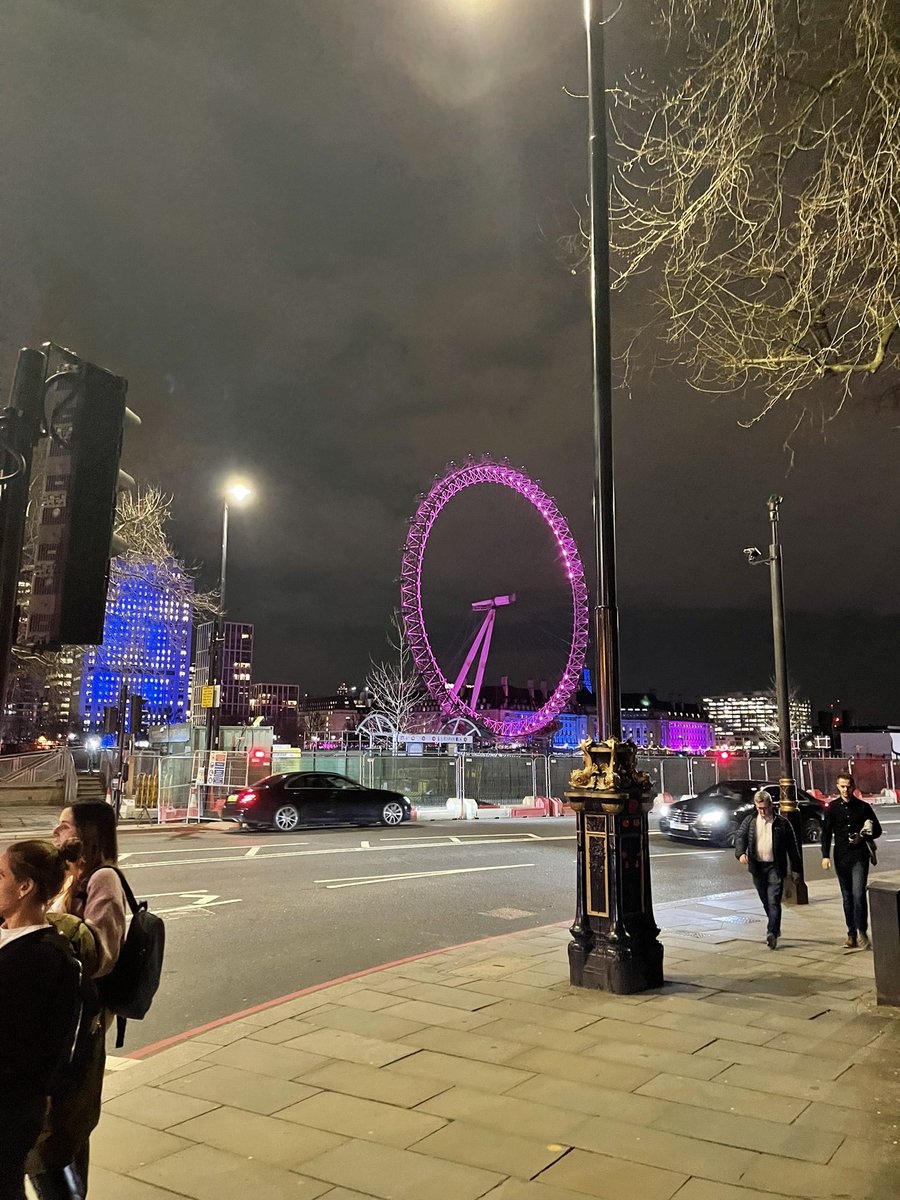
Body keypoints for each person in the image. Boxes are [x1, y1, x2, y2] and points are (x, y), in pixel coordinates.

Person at [27, 803, 127, 1199]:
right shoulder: (74, 876)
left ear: (86, 833)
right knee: (61, 1123)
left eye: (64, 826)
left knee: (63, 1122)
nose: (56, 832)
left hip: (85, 1017)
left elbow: (102, 954)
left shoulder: (104, 879)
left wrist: (47, 923)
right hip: (65, 1010)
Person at [0, 840, 82, 1200]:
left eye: (0, 873)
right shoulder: (7, 932)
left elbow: (28, 1052)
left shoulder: (46, 960)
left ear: (24, 887)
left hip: (8, 1110)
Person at [735, 788, 802, 949]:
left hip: (775, 866)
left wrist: (796, 869)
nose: (763, 811)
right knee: (765, 899)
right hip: (757, 866)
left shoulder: (781, 823)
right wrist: (740, 853)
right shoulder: (750, 821)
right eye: (759, 808)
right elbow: (740, 836)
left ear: (771, 805)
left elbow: (793, 847)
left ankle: (771, 932)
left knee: (773, 900)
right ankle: (775, 925)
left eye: (765, 808)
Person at [821, 774, 882, 949]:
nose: (845, 790)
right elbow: (826, 833)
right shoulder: (832, 808)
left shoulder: (863, 807)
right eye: (842, 786)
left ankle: (862, 929)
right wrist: (825, 855)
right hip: (841, 856)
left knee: (858, 894)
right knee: (847, 896)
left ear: (853, 786)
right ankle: (851, 933)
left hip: (859, 856)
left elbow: (877, 829)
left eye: (848, 786)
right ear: (837, 786)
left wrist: (862, 836)